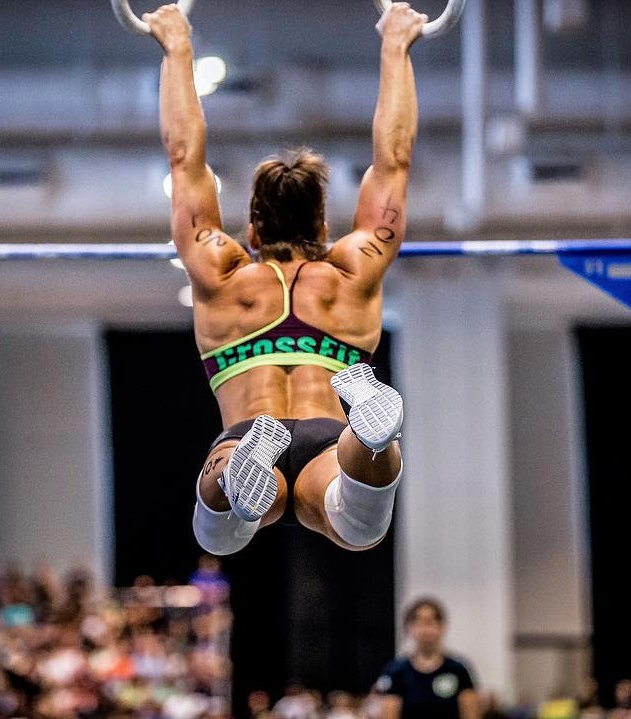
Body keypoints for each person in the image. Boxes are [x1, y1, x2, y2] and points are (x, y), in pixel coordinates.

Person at [143, 2, 427, 555]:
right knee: (355, 521)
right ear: (323, 225)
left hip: (248, 425)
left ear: (251, 229)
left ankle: (232, 480)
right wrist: (396, 42)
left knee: (221, 533)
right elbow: (394, 159)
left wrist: (176, 44)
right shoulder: (352, 271)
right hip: (328, 434)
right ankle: (368, 442)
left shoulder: (220, 273)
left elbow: (183, 159)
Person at [372, 597, 480, 719]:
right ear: (410, 628)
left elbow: (471, 714)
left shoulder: (458, 670)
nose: (426, 630)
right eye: (420, 623)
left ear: (441, 627)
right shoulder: (395, 671)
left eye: (430, 623)